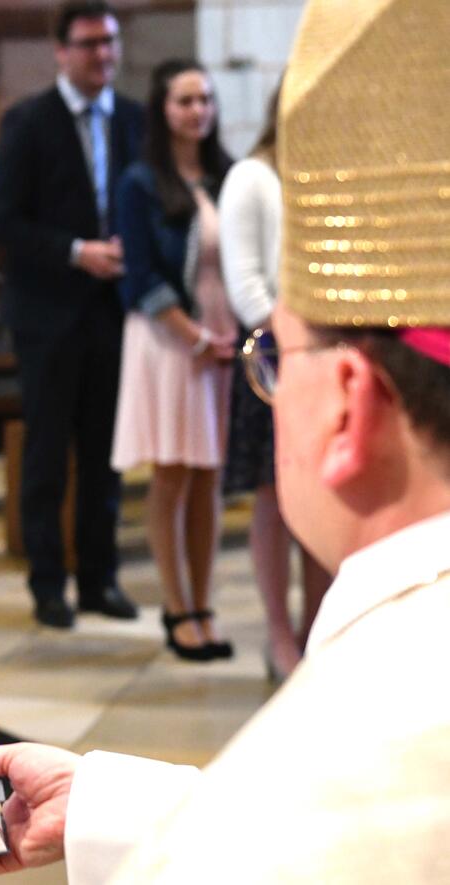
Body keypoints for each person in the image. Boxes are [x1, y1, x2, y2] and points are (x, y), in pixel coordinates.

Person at [0, 1, 450, 881]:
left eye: (278, 357)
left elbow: (296, 826)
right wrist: (103, 801)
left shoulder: (356, 745)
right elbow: (282, 810)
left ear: (347, 409)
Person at [0, 1, 143, 628]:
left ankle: (100, 578)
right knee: (48, 455)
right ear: (61, 50)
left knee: (107, 456)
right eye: (88, 44)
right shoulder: (28, 121)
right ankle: (48, 582)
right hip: (50, 315)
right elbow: (6, 220)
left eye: (109, 42)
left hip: (115, 314)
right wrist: (78, 252)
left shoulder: (135, 119)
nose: (102, 54)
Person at [111, 59, 235, 660]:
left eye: (205, 99)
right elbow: (138, 276)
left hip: (221, 340)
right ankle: (177, 606)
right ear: (164, 108)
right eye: (186, 100)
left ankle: (205, 604)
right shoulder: (140, 181)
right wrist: (194, 336)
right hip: (169, 342)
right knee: (174, 474)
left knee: (210, 476)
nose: (198, 110)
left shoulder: (225, 176)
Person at [217, 84, 328, 681]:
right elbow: (246, 287)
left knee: (325, 493)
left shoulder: (324, 173)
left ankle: (317, 629)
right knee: (274, 498)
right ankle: (280, 638)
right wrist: (304, 338)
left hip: (324, 354)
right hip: (274, 357)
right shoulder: (252, 177)